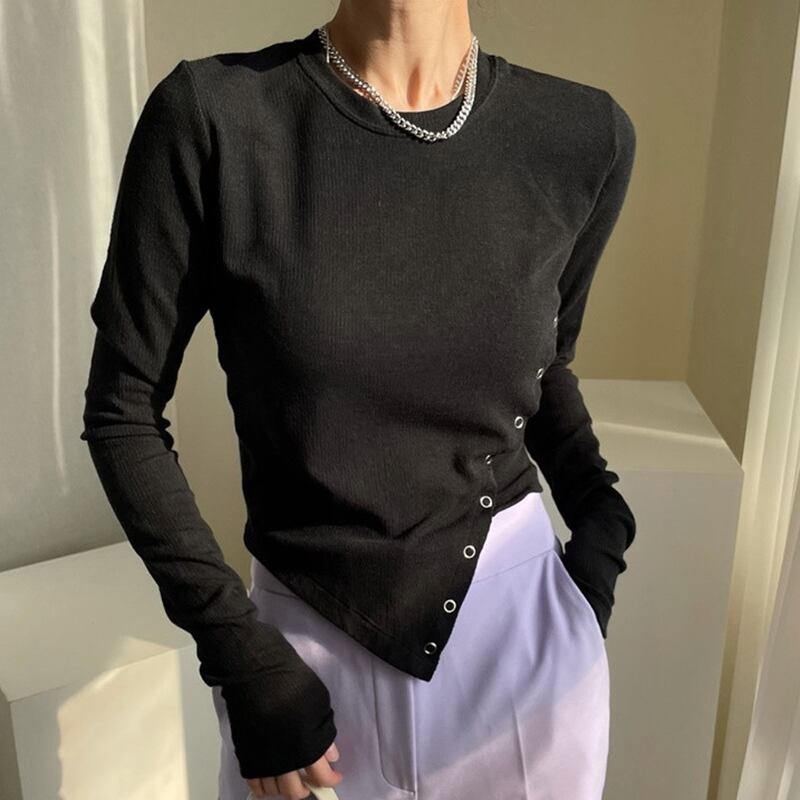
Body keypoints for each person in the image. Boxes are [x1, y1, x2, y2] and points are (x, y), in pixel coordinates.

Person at [80, 2, 638, 799]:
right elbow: (122, 408)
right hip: (300, 668)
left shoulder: (583, 136)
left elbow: (542, 367)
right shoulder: (216, 117)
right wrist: (239, 653)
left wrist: (602, 522)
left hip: (521, 647)